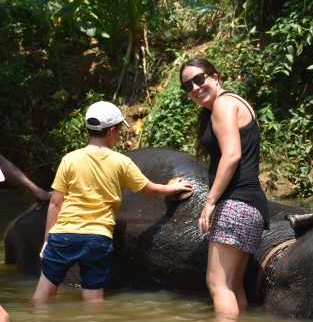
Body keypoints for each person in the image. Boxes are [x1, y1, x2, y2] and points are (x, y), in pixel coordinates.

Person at [32, 100, 193, 304]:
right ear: (111, 131)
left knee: (42, 297)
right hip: (97, 237)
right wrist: (173, 188)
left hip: (64, 234)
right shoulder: (121, 162)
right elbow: (149, 189)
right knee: (93, 299)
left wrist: (47, 240)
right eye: (118, 131)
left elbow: (55, 203)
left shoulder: (69, 159)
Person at [180, 57, 269, 315]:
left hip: (236, 203)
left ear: (215, 76)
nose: (195, 88)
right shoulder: (237, 102)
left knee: (218, 285)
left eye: (199, 79)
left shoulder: (223, 104)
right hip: (251, 205)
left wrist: (209, 203)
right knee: (232, 286)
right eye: (188, 86)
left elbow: (232, 155)